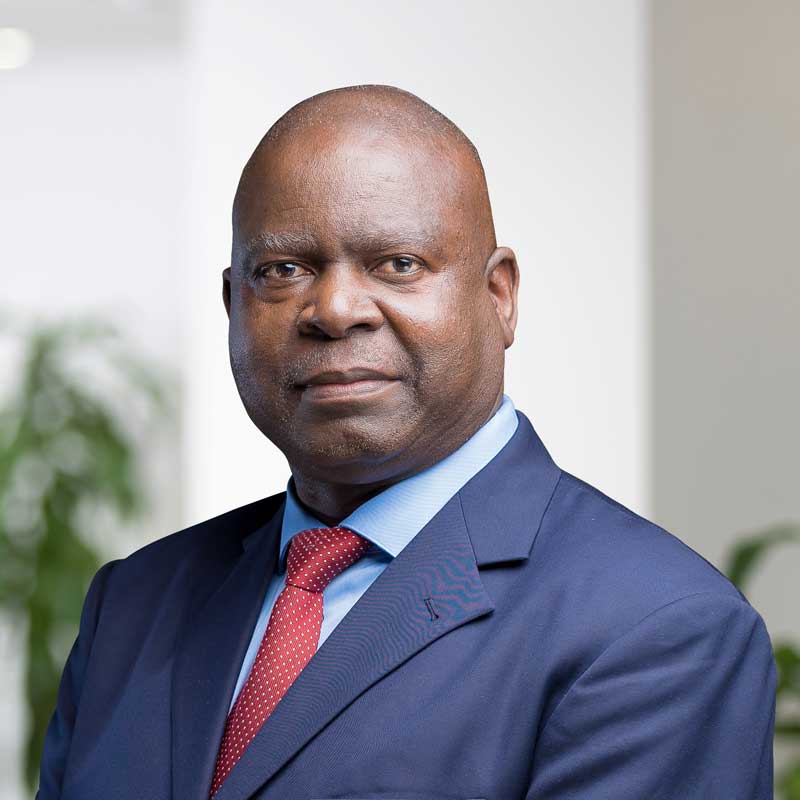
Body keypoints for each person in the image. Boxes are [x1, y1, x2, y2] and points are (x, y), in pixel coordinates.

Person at [37, 84, 776, 800]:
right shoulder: (133, 605)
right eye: (283, 270)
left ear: (500, 296)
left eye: (399, 263)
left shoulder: (656, 627)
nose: (334, 310)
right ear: (233, 304)